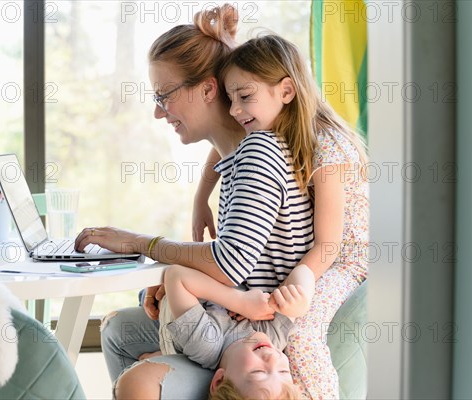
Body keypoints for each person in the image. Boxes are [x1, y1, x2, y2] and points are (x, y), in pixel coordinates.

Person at [75, 5, 368, 400]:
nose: (157, 111)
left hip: (256, 332)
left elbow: (230, 264)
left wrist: (140, 243)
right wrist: (198, 205)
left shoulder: (262, 149)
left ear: (208, 89)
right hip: (236, 319)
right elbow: (236, 246)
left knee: (138, 367)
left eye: (163, 96)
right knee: (119, 329)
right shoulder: (248, 143)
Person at [118, 262, 314, 400]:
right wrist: (300, 304)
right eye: (283, 371)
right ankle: (165, 351)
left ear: (219, 380)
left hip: (161, 298)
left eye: (258, 372)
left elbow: (175, 275)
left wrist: (241, 303)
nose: (272, 358)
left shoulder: (207, 344)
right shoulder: (273, 338)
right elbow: (304, 271)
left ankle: (166, 350)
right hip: (206, 267)